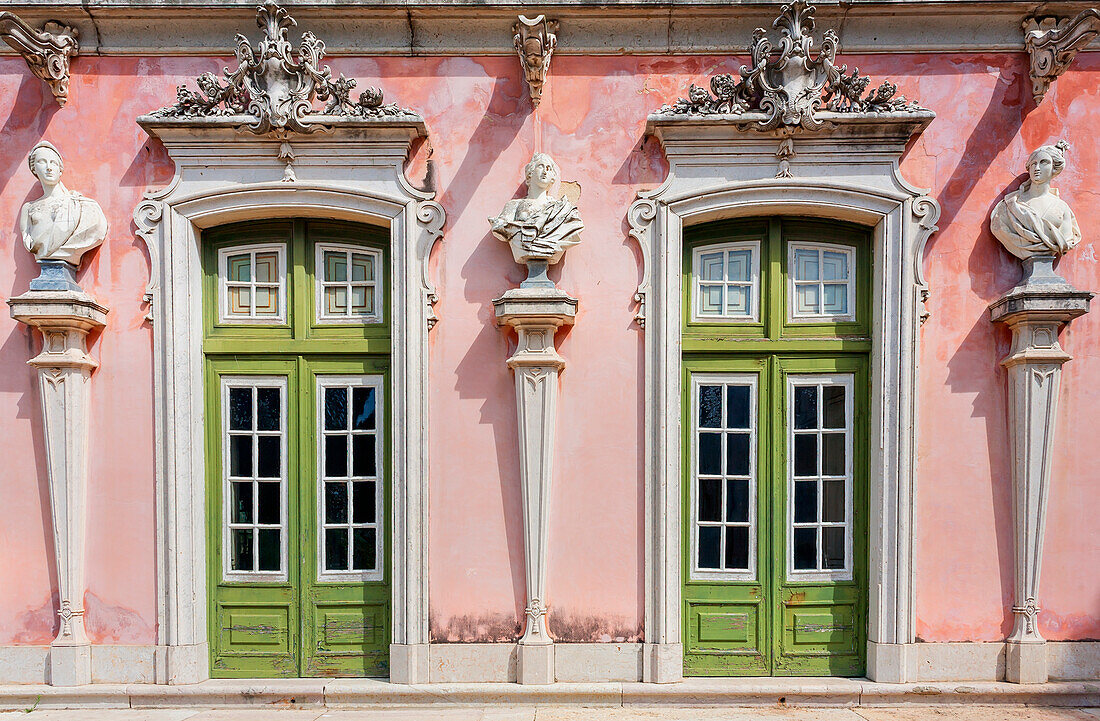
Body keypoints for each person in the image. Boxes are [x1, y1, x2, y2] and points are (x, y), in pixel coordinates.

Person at [19, 141, 108, 268]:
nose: (48, 167)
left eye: (53, 163)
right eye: (42, 162)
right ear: (34, 168)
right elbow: (27, 237)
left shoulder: (84, 207)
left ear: (60, 170)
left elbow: (97, 232)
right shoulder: (28, 209)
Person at [990, 141, 1080, 260]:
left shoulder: (1062, 207)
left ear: (1054, 168)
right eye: (1033, 164)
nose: (1037, 168)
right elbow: (1000, 228)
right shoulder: (1010, 205)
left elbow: (1066, 238)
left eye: (1044, 163)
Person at [489, 153, 583, 267]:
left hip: (550, 247)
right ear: (530, 173)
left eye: (548, 169)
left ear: (552, 177)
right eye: (541, 166)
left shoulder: (563, 210)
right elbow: (501, 227)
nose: (545, 171)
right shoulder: (513, 206)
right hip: (523, 250)